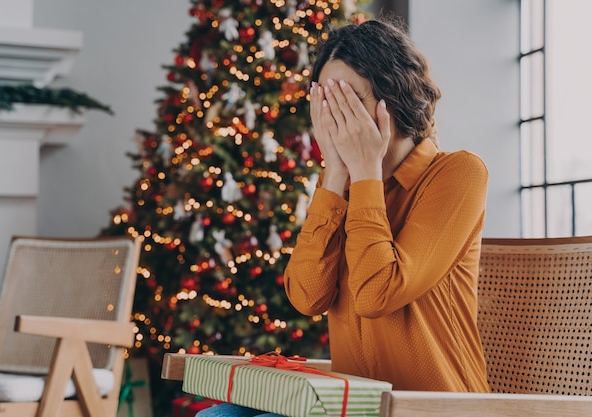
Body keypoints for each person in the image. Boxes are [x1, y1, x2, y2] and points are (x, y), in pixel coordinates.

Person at [198, 15, 489, 417]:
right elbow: (306, 296)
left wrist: (366, 170)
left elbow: (376, 295)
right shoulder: (343, 182)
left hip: (431, 408)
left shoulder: (458, 173)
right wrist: (335, 173)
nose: (335, 114)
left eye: (348, 99)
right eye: (325, 99)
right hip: (354, 405)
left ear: (395, 96)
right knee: (219, 416)